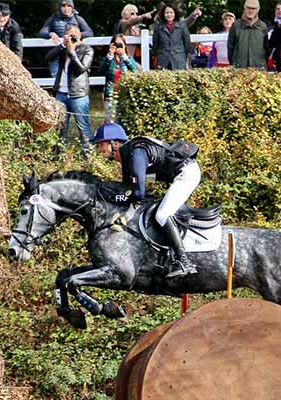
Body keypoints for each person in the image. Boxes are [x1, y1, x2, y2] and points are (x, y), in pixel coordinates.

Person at [93, 123, 200, 278]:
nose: (99, 150)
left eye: (101, 144)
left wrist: (117, 197)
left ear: (115, 143)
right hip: (178, 175)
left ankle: (185, 262)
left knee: (162, 215)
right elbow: (127, 189)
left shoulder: (136, 154)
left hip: (186, 173)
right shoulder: (128, 157)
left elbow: (138, 194)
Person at [46, 25, 94, 157]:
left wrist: (72, 53)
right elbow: (48, 57)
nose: (72, 37)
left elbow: (81, 70)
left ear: (80, 35)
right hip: (61, 93)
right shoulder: (63, 48)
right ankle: (59, 156)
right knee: (60, 127)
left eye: (74, 34)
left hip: (78, 94)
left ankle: (89, 156)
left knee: (83, 126)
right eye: (69, 34)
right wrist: (62, 45)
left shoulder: (87, 49)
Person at [39, 0, 94, 77]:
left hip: (75, 53)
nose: (66, 8)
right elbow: (41, 33)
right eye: (63, 6)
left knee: (75, 78)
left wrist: (76, 35)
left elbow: (89, 32)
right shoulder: (53, 19)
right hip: (58, 54)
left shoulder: (78, 19)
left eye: (69, 6)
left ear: (72, 8)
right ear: (60, 7)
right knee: (56, 79)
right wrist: (50, 34)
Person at [99, 34, 139, 123]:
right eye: (116, 44)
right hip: (111, 95)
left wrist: (124, 56)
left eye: (120, 44)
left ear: (125, 45)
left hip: (125, 94)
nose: (118, 47)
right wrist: (110, 55)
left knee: (125, 121)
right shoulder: (108, 59)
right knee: (111, 121)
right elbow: (101, 71)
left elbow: (135, 72)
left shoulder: (129, 59)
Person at [228, 0, 269, 69]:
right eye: (248, 8)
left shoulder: (263, 26)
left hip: (258, 68)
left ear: (258, 10)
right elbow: (230, 47)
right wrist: (234, 64)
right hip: (239, 68)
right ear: (244, 8)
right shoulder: (236, 25)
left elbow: (266, 48)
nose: (250, 11)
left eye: (253, 9)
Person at [152, 3, 191, 70]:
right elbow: (155, 44)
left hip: (179, 59)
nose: (169, 15)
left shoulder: (182, 26)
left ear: (175, 13)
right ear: (163, 14)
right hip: (163, 59)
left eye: (171, 12)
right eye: (167, 13)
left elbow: (187, 43)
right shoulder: (158, 27)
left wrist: (183, 54)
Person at [267, 2, 281, 70]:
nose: (280, 11)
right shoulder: (269, 28)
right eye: (278, 9)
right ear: (275, 12)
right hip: (275, 60)